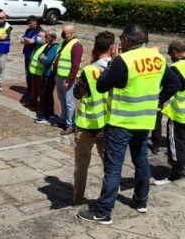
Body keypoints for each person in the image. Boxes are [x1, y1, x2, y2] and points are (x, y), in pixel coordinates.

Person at [77, 24, 180, 224]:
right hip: (145, 120)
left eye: (122, 39)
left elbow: (101, 85)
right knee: (141, 159)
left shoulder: (123, 60)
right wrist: (158, 101)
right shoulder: (158, 59)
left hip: (121, 121)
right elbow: (173, 84)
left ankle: (103, 211)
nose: (120, 43)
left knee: (113, 166)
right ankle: (141, 201)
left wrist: (112, 63)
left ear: (127, 40)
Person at [72, 31, 115, 205]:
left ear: (95, 49)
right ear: (113, 48)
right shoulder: (119, 67)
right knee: (111, 165)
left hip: (87, 124)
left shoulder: (89, 71)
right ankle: (112, 195)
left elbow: (77, 92)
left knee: (82, 164)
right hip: (109, 124)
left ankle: (78, 198)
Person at [154, 40, 185, 185]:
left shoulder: (176, 68)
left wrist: (159, 100)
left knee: (175, 144)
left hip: (179, 113)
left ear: (174, 52)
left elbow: (168, 86)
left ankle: (175, 173)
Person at [53, 24, 83, 135]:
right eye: (63, 32)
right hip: (59, 75)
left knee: (69, 101)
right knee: (62, 99)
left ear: (72, 33)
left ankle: (70, 125)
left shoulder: (76, 45)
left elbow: (75, 65)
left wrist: (70, 80)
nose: (63, 34)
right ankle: (63, 120)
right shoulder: (63, 42)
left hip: (67, 78)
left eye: (65, 32)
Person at [33, 29, 59, 124]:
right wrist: (43, 57)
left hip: (50, 74)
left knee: (47, 94)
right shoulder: (48, 45)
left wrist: (43, 58)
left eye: (47, 36)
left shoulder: (55, 47)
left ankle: (49, 116)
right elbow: (40, 56)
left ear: (52, 37)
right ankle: (46, 114)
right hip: (45, 73)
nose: (45, 38)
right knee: (45, 94)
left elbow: (48, 61)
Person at [20, 16, 42, 102]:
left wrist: (26, 40)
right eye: (27, 23)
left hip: (34, 56)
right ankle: (29, 91)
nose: (28, 25)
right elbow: (22, 40)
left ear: (35, 22)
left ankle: (33, 93)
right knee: (27, 74)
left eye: (30, 23)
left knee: (33, 75)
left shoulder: (39, 31)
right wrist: (27, 40)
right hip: (27, 54)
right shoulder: (28, 30)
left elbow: (32, 41)